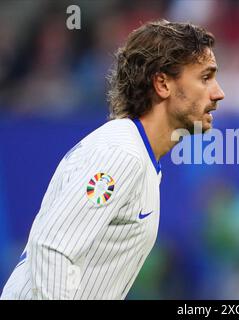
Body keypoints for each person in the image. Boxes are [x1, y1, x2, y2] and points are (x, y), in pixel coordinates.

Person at [0, 19, 225, 300]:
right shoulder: (121, 155)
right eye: (205, 78)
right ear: (163, 83)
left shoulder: (136, 156)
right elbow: (53, 247)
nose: (218, 93)